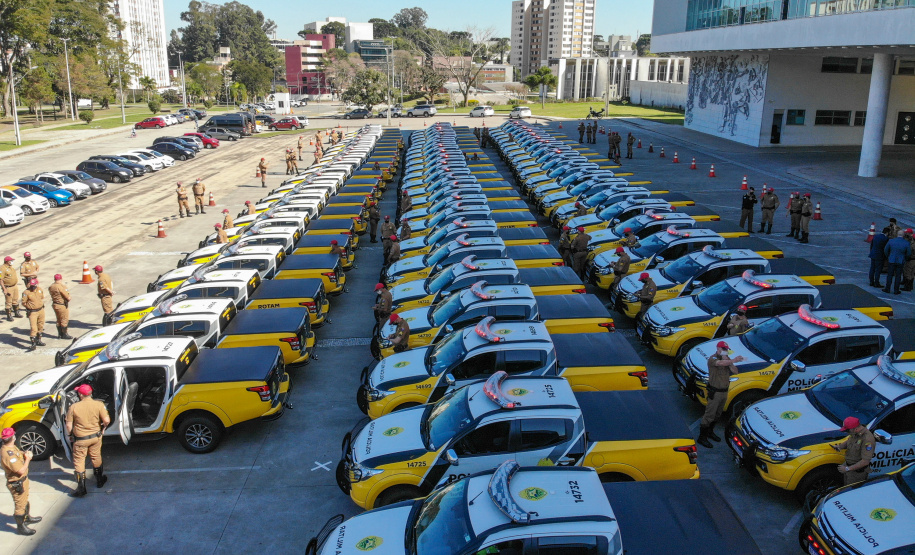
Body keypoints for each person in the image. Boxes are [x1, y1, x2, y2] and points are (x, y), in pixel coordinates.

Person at [65, 384, 111, 497]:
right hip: (96, 437)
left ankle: (81, 489)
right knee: (96, 457)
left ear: (81, 394)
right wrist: (103, 429)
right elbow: (107, 420)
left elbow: (68, 426)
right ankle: (100, 481)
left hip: (80, 439)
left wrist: (70, 435)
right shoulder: (99, 405)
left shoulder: (73, 407)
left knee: (79, 461)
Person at [697, 341, 745, 448]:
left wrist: (730, 362)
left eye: (726, 349)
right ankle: (702, 437)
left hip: (724, 392)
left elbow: (735, 371)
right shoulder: (713, 359)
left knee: (718, 414)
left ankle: (710, 432)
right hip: (715, 392)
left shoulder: (727, 359)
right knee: (709, 414)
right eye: (723, 349)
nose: (725, 351)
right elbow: (719, 364)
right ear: (718, 349)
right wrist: (732, 360)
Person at [2, 427, 41, 535]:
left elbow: (17, 452)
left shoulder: (11, 447)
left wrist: (24, 453)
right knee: (20, 505)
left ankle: (26, 518)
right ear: (13, 437)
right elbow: (20, 470)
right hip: (17, 483)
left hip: (23, 481)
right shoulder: (8, 454)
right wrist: (28, 459)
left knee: (24, 500)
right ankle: (21, 527)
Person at [831, 416, 876, 486]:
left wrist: (847, 469)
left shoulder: (867, 440)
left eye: (847, 430)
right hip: (848, 467)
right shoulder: (855, 433)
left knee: (850, 491)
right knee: (845, 486)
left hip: (856, 473)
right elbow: (850, 441)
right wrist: (839, 446)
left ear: (856, 429)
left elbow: (865, 462)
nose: (847, 432)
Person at [884, 230, 912, 295]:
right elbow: (909, 253)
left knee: (890, 275)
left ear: (897, 234)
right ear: (903, 235)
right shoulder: (906, 243)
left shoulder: (891, 241)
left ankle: (887, 288)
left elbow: (886, 250)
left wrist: (889, 256)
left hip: (891, 260)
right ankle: (896, 290)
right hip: (900, 261)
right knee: (898, 276)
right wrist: (905, 258)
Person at [21, 279, 45, 351]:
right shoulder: (26, 292)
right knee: (34, 328)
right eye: (32, 285)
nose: (33, 287)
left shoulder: (40, 290)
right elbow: (23, 302)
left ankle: (39, 340)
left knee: (40, 325)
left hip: (41, 310)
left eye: (34, 285)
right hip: (33, 312)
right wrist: (29, 307)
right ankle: (33, 344)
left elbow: (42, 297)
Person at [48, 273, 72, 339]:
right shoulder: (60, 287)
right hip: (61, 305)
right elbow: (67, 297)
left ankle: (59, 334)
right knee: (64, 319)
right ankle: (64, 334)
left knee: (58, 319)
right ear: (61, 279)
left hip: (55, 304)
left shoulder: (51, 286)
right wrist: (69, 297)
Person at [2, 255, 22, 321]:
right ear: (7, 261)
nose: (12, 262)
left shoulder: (10, 267)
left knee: (15, 300)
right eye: (11, 261)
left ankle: (16, 312)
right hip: (8, 287)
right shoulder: (2, 268)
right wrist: (4, 289)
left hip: (14, 286)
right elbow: (0, 279)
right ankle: (9, 315)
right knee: (9, 302)